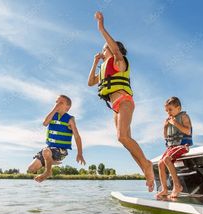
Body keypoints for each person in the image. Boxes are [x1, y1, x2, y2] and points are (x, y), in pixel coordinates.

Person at [87, 11, 154, 191]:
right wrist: (95, 63)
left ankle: (147, 165)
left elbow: (114, 49)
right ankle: (147, 171)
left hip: (124, 101)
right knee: (125, 140)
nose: (102, 51)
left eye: (104, 48)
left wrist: (101, 27)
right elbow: (90, 82)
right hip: (115, 108)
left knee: (122, 136)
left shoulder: (119, 61)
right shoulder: (104, 68)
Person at [27, 95, 86, 182]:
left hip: (61, 151)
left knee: (46, 151)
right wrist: (54, 109)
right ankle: (50, 161)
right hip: (49, 150)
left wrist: (80, 153)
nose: (57, 104)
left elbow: (77, 136)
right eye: (56, 102)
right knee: (30, 169)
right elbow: (45, 123)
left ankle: (48, 172)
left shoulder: (70, 119)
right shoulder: (52, 115)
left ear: (68, 107)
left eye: (61, 103)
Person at [156, 97, 193, 198]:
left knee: (167, 159)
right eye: (166, 111)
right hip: (171, 147)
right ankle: (164, 189)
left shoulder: (184, 116)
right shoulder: (169, 120)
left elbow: (188, 131)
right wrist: (165, 126)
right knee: (160, 163)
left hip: (182, 145)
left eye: (170, 110)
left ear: (178, 108)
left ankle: (177, 186)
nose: (168, 113)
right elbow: (166, 137)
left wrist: (175, 123)